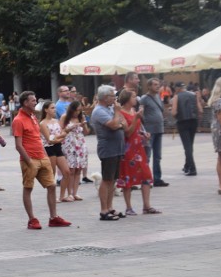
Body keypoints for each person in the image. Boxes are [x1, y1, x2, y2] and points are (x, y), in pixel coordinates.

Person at [12, 90, 71, 229]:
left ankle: (53, 217)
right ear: (25, 103)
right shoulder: (18, 120)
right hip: (30, 159)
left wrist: (44, 155)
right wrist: (29, 161)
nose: (35, 102)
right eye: (33, 100)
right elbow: (18, 145)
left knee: (51, 186)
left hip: (42, 156)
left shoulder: (33, 116)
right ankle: (32, 219)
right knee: (28, 188)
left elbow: (38, 139)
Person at [117, 89, 160, 215]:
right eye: (134, 97)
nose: (136, 99)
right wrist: (136, 118)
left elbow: (136, 129)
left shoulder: (133, 111)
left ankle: (147, 206)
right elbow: (127, 132)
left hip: (139, 148)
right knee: (127, 178)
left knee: (146, 175)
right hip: (127, 150)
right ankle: (128, 207)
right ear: (127, 99)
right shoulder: (121, 113)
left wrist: (143, 133)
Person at [91, 85, 126, 220]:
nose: (115, 98)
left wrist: (118, 121)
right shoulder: (99, 111)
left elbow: (121, 123)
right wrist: (117, 115)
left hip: (117, 148)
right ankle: (103, 210)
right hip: (108, 149)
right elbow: (113, 125)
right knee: (106, 179)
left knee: (113, 179)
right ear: (105, 98)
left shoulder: (109, 108)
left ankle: (110, 207)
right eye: (113, 96)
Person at [38, 100, 72, 203]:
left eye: (54, 108)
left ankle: (62, 196)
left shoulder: (56, 121)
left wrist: (59, 137)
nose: (54, 110)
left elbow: (61, 134)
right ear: (46, 110)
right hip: (49, 148)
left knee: (66, 172)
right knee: (51, 174)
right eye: (52, 108)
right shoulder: (43, 123)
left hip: (58, 147)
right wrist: (61, 136)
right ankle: (52, 196)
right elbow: (49, 139)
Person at [140, 78, 168, 186]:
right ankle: (146, 178)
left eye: (158, 84)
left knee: (158, 156)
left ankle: (157, 178)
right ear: (149, 86)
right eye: (155, 84)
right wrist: (144, 127)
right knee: (147, 155)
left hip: (159, 129)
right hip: (149, 131)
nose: (157, 86)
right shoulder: (144, 98)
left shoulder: (158, 96)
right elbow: (141, 113)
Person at [172, 82, 203, 176]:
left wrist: (175, 115)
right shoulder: (194, 95)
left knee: (187, 146)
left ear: (177, 89)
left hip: (182, 122)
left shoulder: (176, 97)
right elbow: (200, 110)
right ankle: (187, 165)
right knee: (190, 144)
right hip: (193, 121)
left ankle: (192, 168)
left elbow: (174, 112)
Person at [61, 100, 89, 201]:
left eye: (79, 111)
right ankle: (69, 193)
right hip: (70, 144)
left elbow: (86, 132)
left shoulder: (81, 117)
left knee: (78, 169)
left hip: (80, 144)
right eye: (76, 110)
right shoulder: (65, 117)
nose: (77, 112)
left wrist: (84, 124)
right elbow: (60, 131)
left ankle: (75, 192)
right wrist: (71, 127)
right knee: (71, 170)